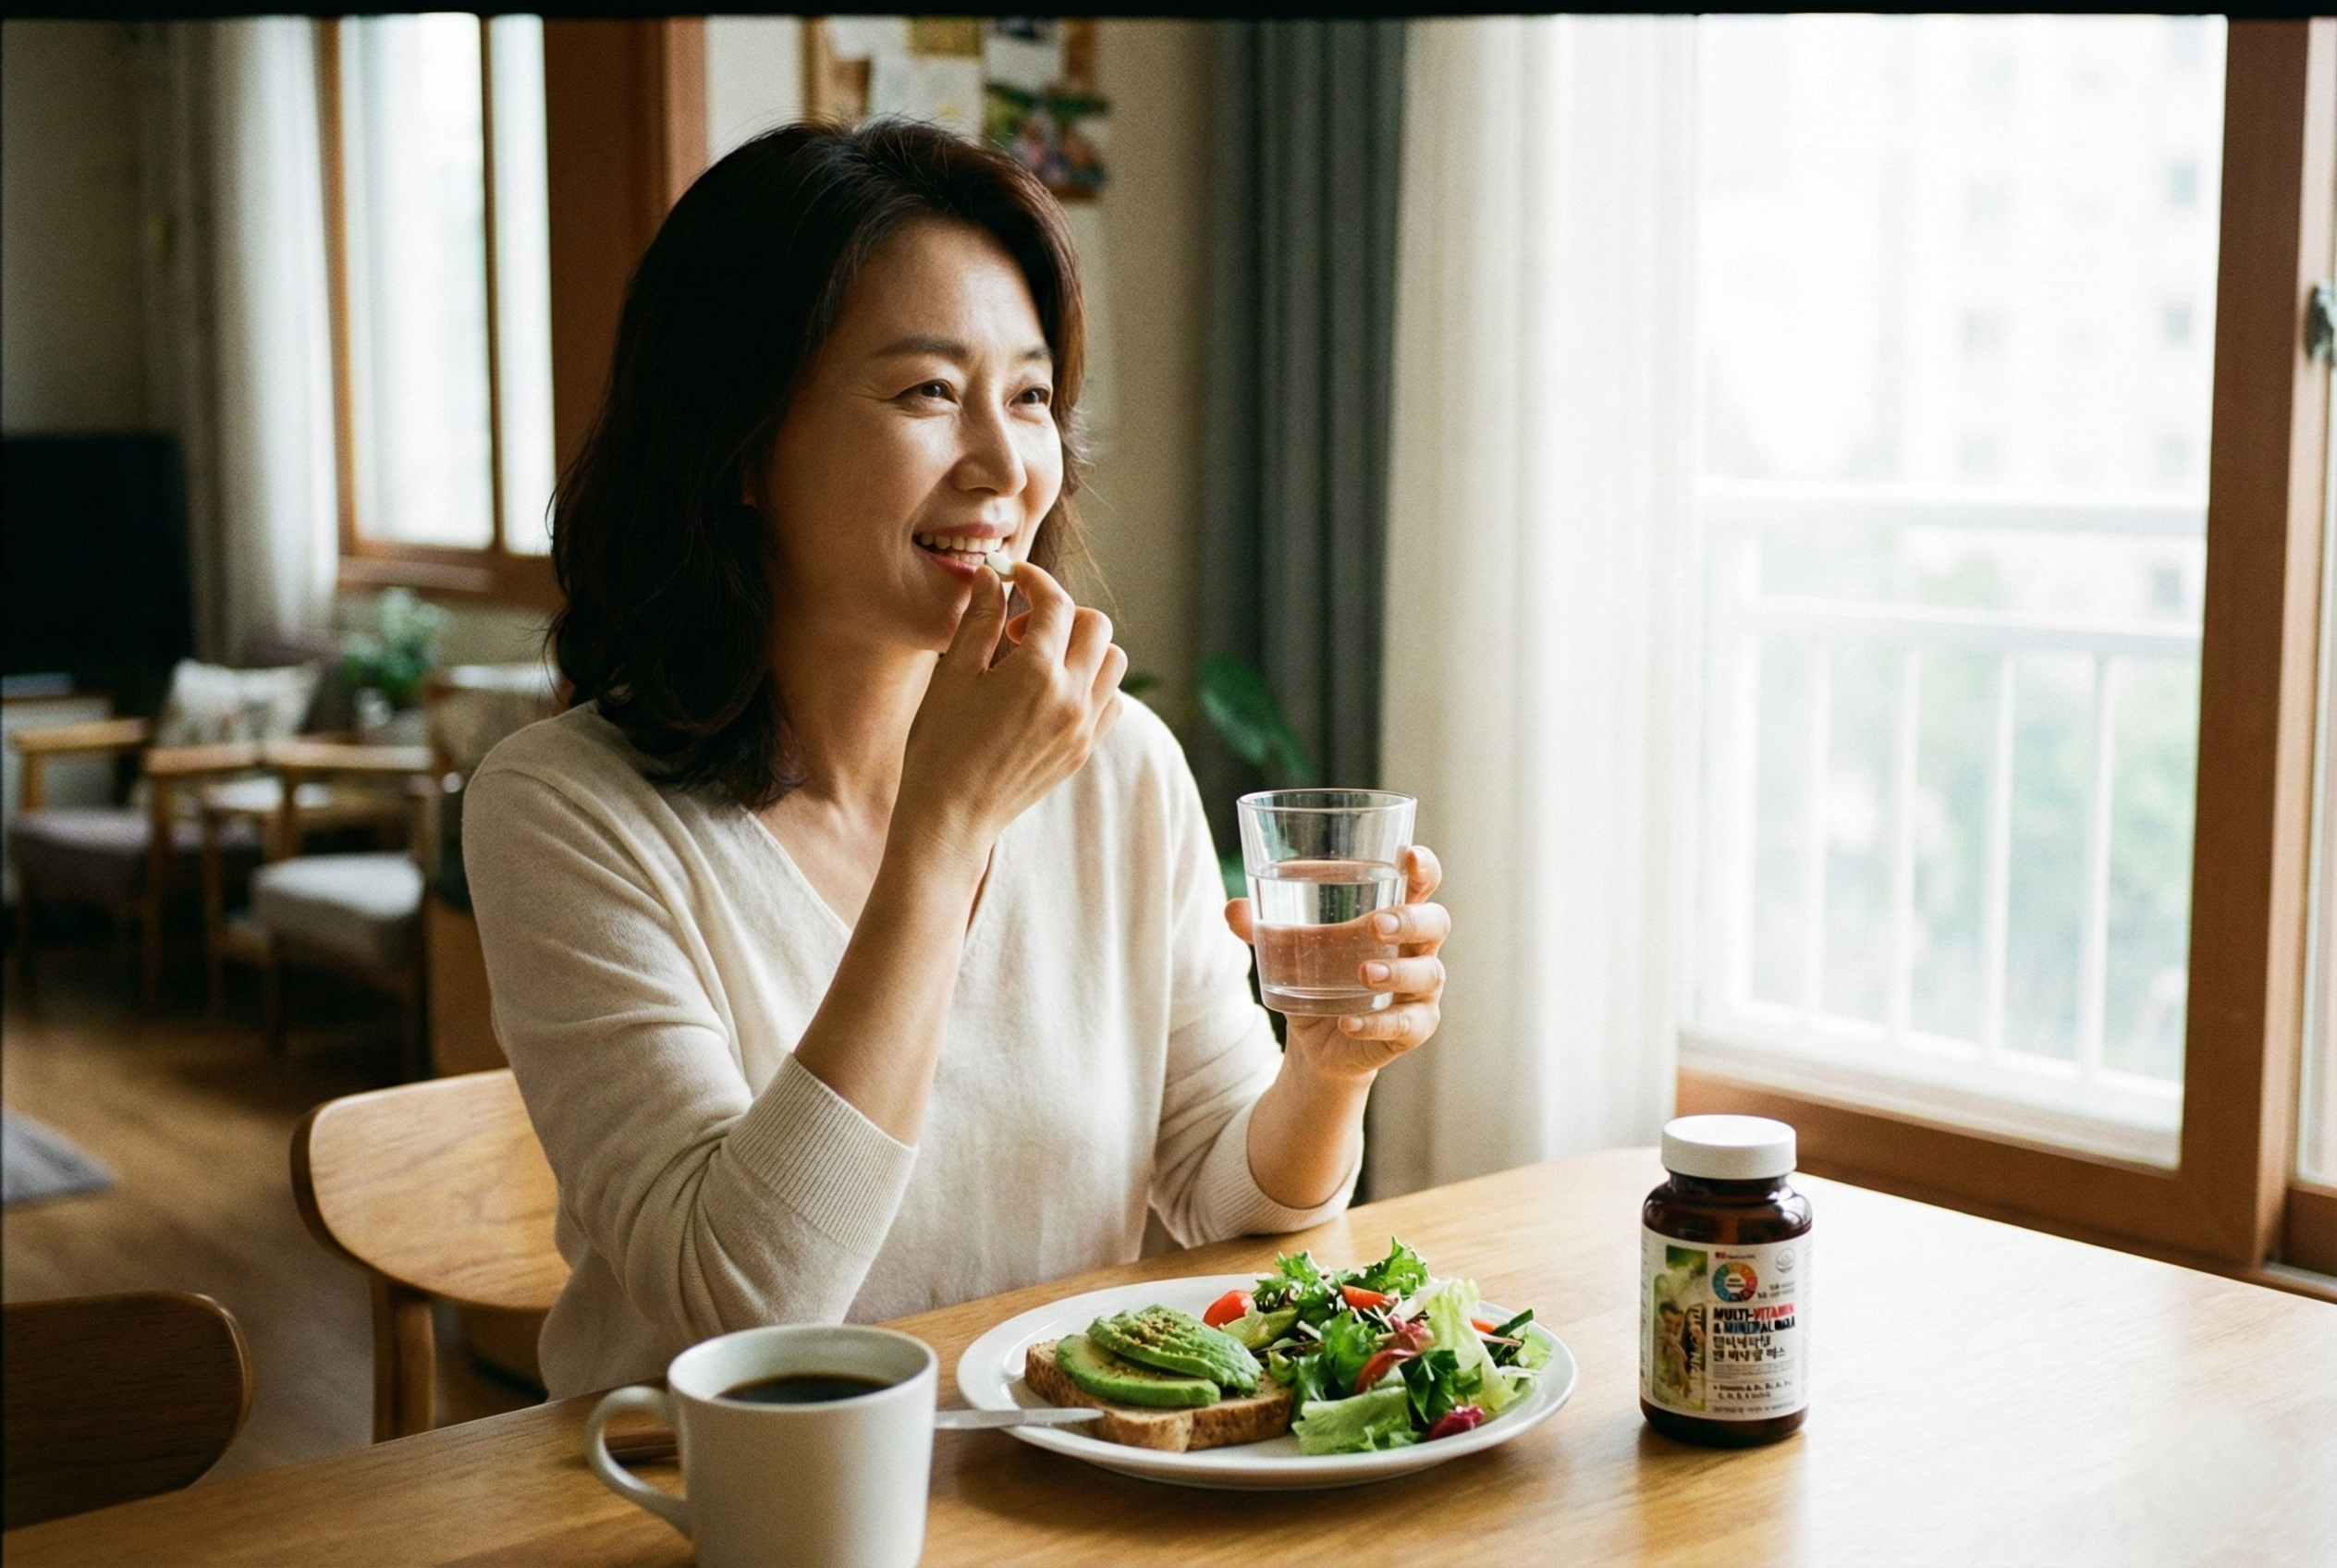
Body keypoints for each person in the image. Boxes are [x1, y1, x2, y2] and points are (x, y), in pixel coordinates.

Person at [463, 120, 1451, 1399]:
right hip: (710, 1489)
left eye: (1030, 397)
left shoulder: (1119, 767)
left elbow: (1228, 1201)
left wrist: (1324, 1072)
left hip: (1045, 1477)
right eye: (928, 392)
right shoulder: (562, 810)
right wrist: (943, 831)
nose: (1004, 466)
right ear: (741, 443)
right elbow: (746, 1308)